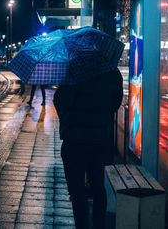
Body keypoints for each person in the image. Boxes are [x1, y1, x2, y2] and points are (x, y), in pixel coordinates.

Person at [53, 68, 123, 229]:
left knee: (77, 190)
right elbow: (115, 104)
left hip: (73, 140)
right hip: (98, 140)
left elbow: (59, 101)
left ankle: (82, 225)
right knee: (98, 186)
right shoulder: (111, 72)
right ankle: (99, 225)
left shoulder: (72, 72)